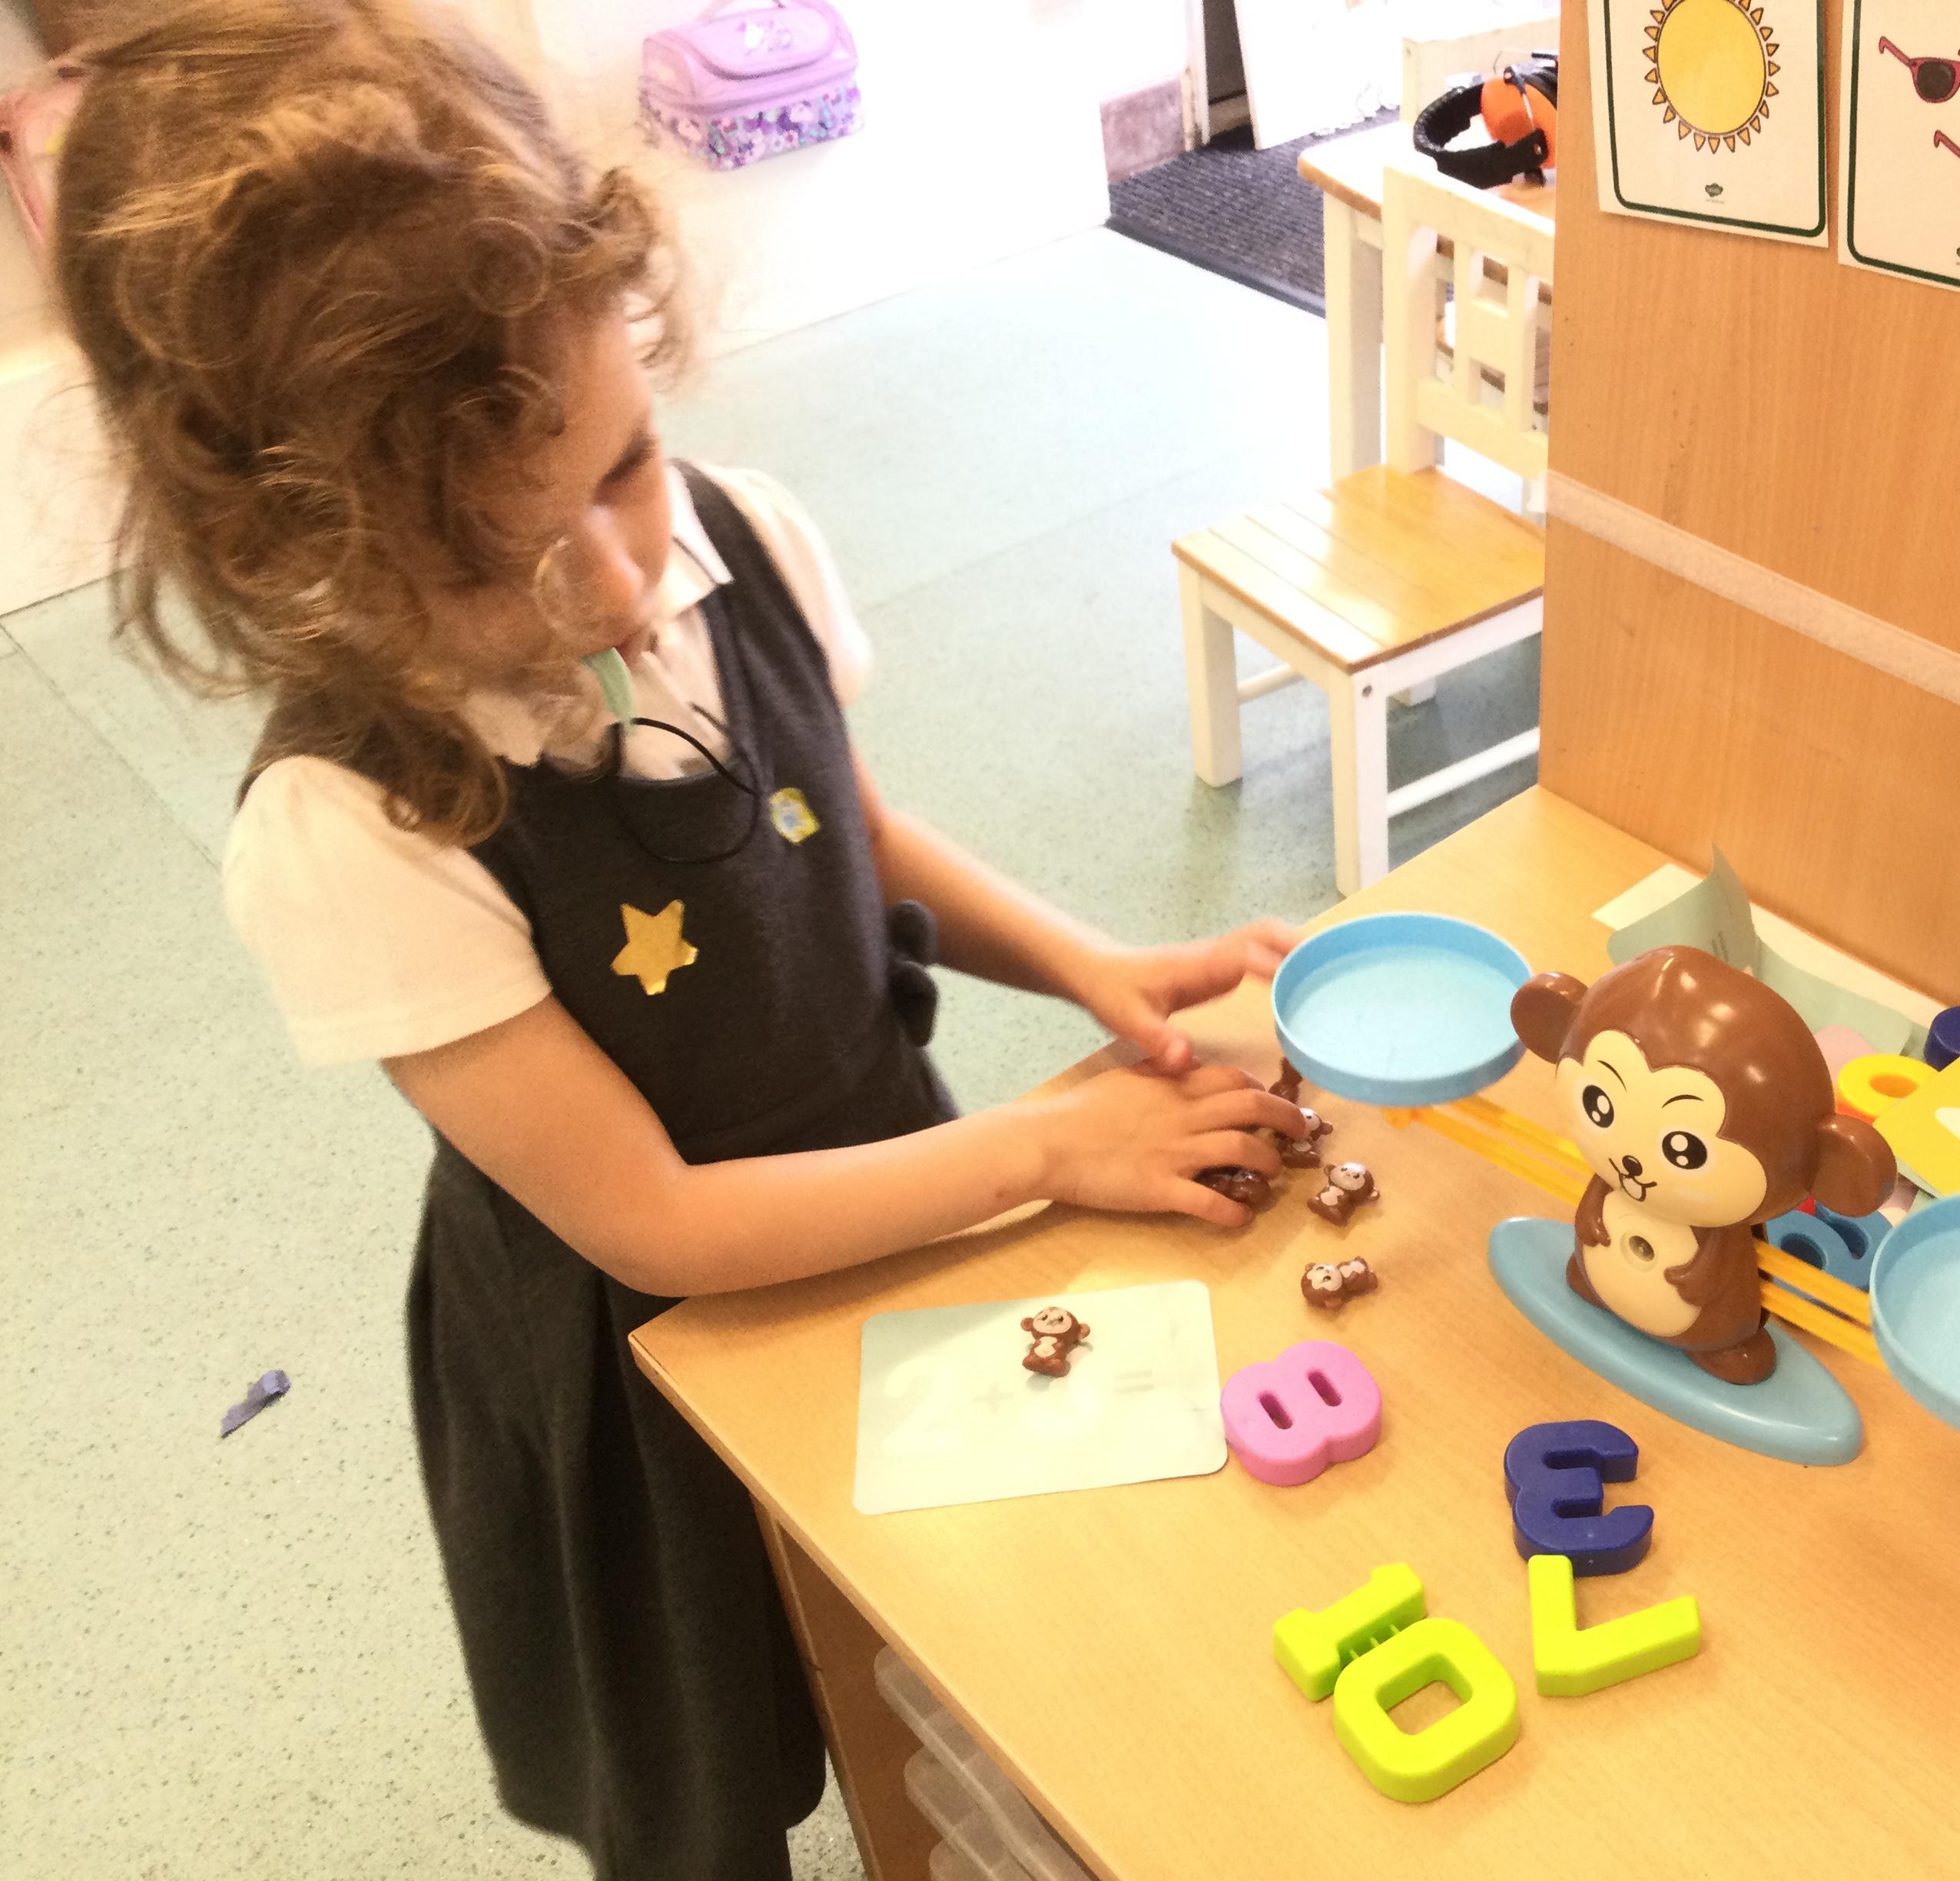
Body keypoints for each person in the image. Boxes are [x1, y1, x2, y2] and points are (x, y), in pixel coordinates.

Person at [51, 5, 1305, 1875]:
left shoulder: (738, 541)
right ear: (289, 556)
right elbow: (652, 1222)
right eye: (493, 559)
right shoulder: (346, 829)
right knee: (706, 1758)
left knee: (941, 1638)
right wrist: (1046, 1147)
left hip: (893, 1177)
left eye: (624, 462)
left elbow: (842, 828)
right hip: (640, 1357)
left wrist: (1085, 964)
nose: (620, 582)